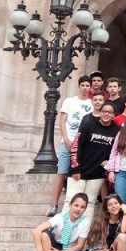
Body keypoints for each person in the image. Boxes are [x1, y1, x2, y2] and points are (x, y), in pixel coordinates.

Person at [47, 75, 92, 217]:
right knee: (62, 172)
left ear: (90, 88)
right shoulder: (69, 101)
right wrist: (66, 139)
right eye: (83, 85)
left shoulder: (92, 103)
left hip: (83, 145)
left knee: (78, 174)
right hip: (67, 141)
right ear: (79, 86)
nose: (85, 88)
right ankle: (53, 204)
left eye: (87, 85)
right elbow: (62, 121)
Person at [67, 102, 119, 217]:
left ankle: (84, 229)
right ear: (100, 112)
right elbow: (76, 146)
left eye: (110, 112)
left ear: (113, 115)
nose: (106, 114)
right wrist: (75, 168)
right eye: (104, 111)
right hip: (79, 171)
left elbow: (117, 151)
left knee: (90, 203)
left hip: (97, 174)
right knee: (71, 201)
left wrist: (110, 162)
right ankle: (66, 228)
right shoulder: (88, 124)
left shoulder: (117, 130)